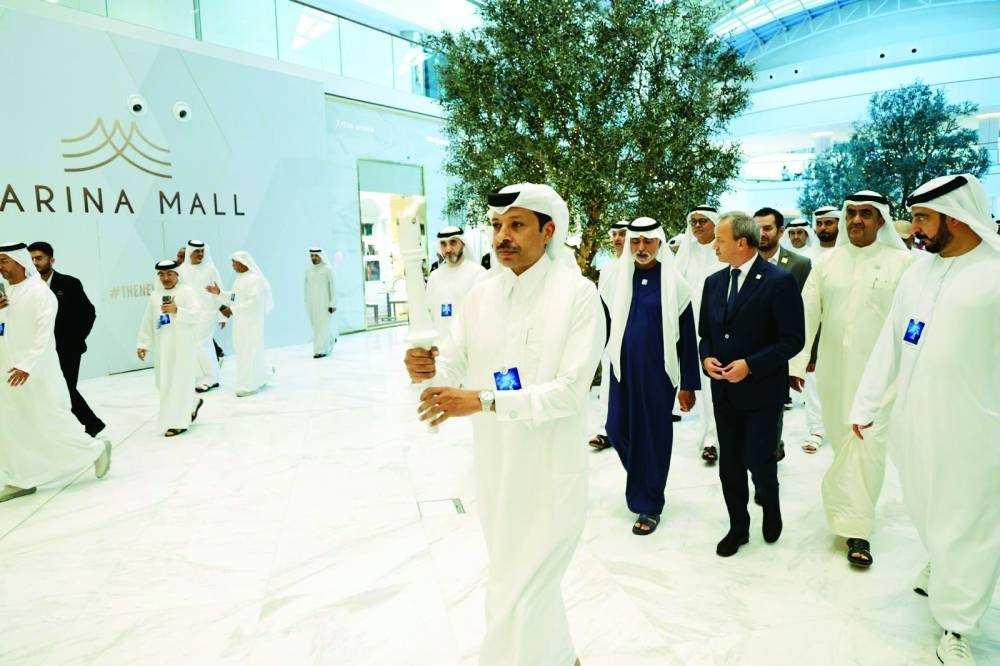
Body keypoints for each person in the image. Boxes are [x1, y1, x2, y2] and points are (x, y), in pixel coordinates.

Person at [404, 183, 603, 666]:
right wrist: (426, 372)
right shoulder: (479, 299)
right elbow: (453, 366)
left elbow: (570, 392)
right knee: (518, 584)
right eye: (496, 226)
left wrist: (484, 401)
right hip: (497, 476)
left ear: (548, 230)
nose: (502, 236)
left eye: (516, 225)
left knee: (515, 596)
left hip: (552, 477)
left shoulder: (578, 296)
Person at [851, 174, 1000, 666]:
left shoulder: (995, 275)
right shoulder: (917, 273)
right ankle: (941, 557)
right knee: (926, 504)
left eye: (921, 218)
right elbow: (891, 342)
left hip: (976, 427)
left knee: (972, 522)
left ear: (954, 217)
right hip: (916, 422)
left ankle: (957, 627)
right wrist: (866, 403)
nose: (913, 228)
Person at [789, 190, 911, 568]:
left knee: (867, 445)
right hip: (833, 370)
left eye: (867, 214)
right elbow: (808, 312)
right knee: (842, 440)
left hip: (883, 377)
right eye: (852, 213)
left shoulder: (904, 263)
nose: (857, 220)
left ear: (882, 220)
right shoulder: (827, 263)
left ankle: (858, 529)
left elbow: (912, 322)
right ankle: (847, 512)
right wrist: (797, 362)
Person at [698, 212, 804, 557]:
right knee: (729, 464)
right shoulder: (713, 283)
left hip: (762, 392)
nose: (715, 245)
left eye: (720, 240)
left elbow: (793, 340)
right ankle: (738, 527)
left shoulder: (779, 281)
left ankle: (770, 508)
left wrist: (751, 365)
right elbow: (705, 335)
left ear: (741, 243)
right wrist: (706, 358)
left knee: (760, 460)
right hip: (724, 392)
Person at [606, 217, 700, 535]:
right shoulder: (617, 280)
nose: (641, 248)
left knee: (653, 437)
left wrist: (689, 384)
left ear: (659, 243)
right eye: (636, 241)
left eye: (647, 242)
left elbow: (687, 338)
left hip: (658, 374)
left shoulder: (676, 284)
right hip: (621, 372)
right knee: (616, 429)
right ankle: (646, 478)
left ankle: (648, 505)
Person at [0, 242, 111, 503]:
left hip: (35, 373)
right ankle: (20, 478)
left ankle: (94, 449)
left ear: (19, 261)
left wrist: (27, 365)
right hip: (8, 372)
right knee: (12, 425)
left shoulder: (39, 292)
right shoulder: (9, 293)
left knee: (48, 420)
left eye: (4, 260)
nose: (0, 267)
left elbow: (43, 334)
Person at [27, 241, 105, 437]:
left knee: (65, 388)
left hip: (68, 348)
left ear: (51, 260)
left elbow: (88, 313)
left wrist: (76, 339)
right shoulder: (27, 287)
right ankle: (86, 424)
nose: (35, 263)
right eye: (31, 259)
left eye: (39, 258)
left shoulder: (69, 283)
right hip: (41, 349)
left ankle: (90, 424)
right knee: (54, 389)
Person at [753, 206, 811, 461]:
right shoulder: (743, 261)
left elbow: (810, 313)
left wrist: (806, 358)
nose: (762, 234)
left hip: (781, 352)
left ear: (781, 231)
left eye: (767, 228)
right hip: (747, 352)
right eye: (757, 228)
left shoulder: (799, 264)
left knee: (772, 410)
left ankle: (768, 458)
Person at [675, 205, 727, 463]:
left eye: (703, 221)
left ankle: (712, 439)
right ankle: (709, 436)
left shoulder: (722, 251)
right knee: (693, 383)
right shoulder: (687, 252)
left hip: (717, 329)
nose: (697, 226)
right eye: (693, 221)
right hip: (687, 328)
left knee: (712, 385)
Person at [137, 260, 204, 437]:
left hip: (183, 347)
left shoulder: (187, 292)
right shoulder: (155, 296)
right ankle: (192, 403)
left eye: (169, 274)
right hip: (163, 349)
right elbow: (148, 321)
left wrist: (177, 311)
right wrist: (143, 344)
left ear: (177, 274)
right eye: (162, 274)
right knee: (163, 383)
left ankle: (178, 423)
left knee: (179, 382)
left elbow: (197, 315)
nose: (165, 278)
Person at [588, 220, 628, 451]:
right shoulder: (607, 269)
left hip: (636, 338)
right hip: (610, 335)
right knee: (607, 386)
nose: (616, 239)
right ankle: (606, 430)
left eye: (622, 234)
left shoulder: (642, 266)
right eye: (614, 234)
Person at [211, 252, 274, 397]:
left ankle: (248, 385)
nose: (232, 265)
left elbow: (254, 302)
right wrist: (220, 293)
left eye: (234, 262)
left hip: (252, 323)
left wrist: (232, 310)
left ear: (242, 263)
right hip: (241, 323)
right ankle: (261, 375)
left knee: (250, 350)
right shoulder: (239, 279)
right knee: (243, 351)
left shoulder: (255, 279)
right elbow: (234, 297)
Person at [425, 227, 486, 342]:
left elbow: (485, 315)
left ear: (463, 243)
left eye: (453, 242)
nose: (448, 249)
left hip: (470, 345)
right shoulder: (434, 276)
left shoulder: (478, 272)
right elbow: (429, 313)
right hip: (441, 346)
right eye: (443, 244)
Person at [178, 240, 222, 393]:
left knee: (200, 344)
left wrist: (223, 315)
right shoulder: (181, 270)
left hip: (208, 313)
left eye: (202, 251)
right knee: (205, 345)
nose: (200, 254)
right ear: (190, 252)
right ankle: (214, 377)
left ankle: (207, 379)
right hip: (190, 314)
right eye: (197, 251)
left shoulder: (210, 269)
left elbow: (219, 291)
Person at [304, 248, 337, 358]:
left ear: (320, 256)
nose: (313, 258)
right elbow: (306, 288)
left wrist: (333, 303)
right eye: (312, 256)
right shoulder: (308, 270)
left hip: (324, 304)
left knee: (322, 326)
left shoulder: (327, 269)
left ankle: (320, 350)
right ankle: (331, 339)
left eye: (315, 256)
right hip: (312, 304)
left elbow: (333, 287)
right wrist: (307, 302)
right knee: (317, 327)